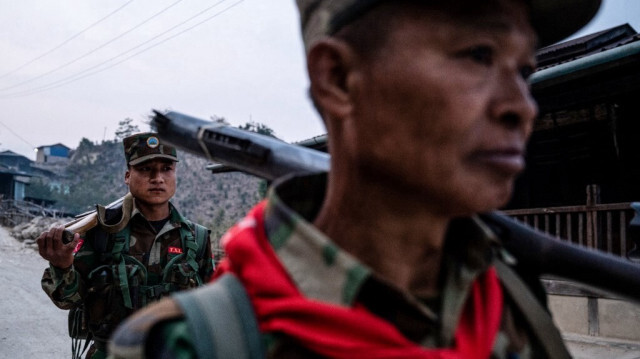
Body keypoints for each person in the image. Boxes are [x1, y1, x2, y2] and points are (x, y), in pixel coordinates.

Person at [110, 1, 602, 358]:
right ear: (339, 78)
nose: (522, 106)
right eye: (478, 55)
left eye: (525, 69)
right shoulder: (193, 346)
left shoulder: (514, 307)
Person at [37, 133, 215, 359]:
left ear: (175, 174)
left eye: (166, 168)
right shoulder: (101, 231)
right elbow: (67, 300)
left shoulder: (196, 238)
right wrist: (61, 266)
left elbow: (210, 309)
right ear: (127, 176)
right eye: (145, 169)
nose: (157, 177)